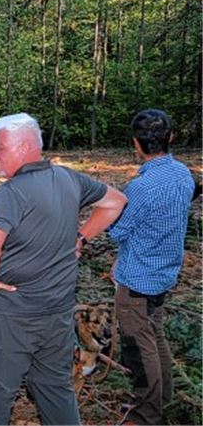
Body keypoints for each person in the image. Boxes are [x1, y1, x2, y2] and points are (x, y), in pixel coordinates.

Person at [0, 113, 126, 425]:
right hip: (56, 314)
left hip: (13, 317)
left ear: (25, 147)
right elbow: (116, 201)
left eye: (0, 147)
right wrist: (82, 236)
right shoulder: (69, 178)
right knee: (55, 390)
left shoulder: (11, 193)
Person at [107, 109, 194, 425]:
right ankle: (163, 397)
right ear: (170, 138)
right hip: (164, 273)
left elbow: (118, 230)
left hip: (138, 280)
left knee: (139, 350)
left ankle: (146, 415)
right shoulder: (183, 175)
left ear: (136, 143)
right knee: (155, 337)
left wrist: (108, 207)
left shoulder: (140, 188)